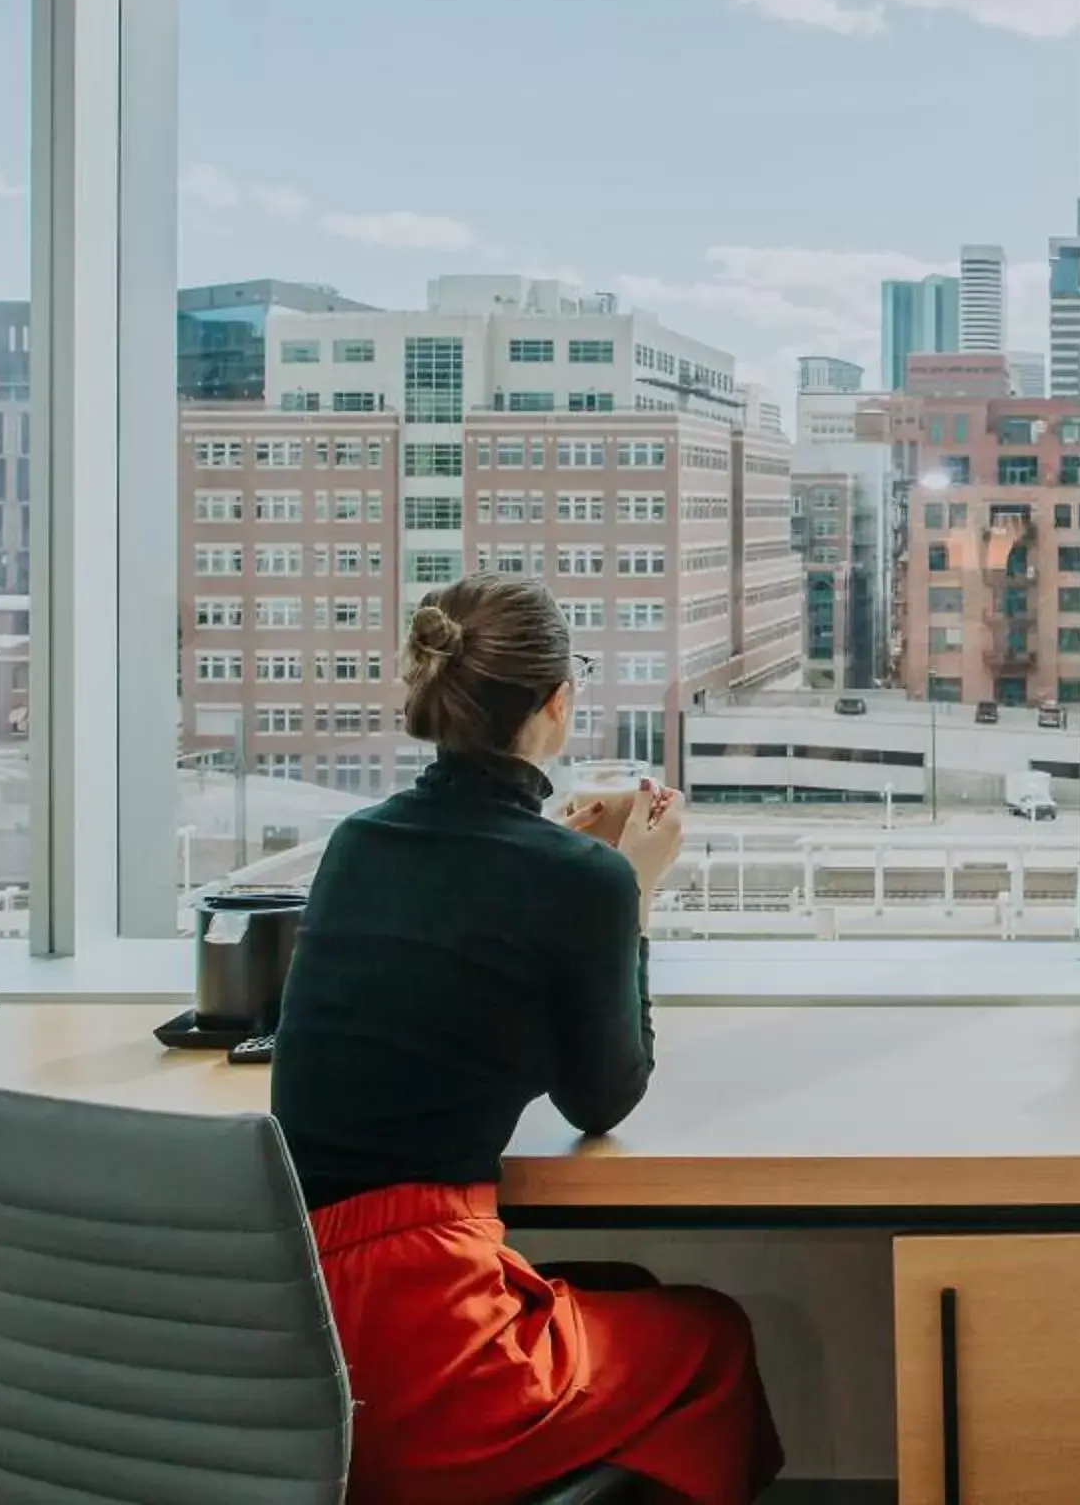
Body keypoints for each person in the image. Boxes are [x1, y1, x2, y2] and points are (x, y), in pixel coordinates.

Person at [271, 573, 783, 1505]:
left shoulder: (355, 845)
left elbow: (463, 907)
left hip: (296, 1338)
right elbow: (602, 1100)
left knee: (621, 1282)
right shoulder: (581, 883)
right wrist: (632, 894)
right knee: (710, 1336)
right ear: (557, 700)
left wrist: (576, 866)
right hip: (426, 1345)